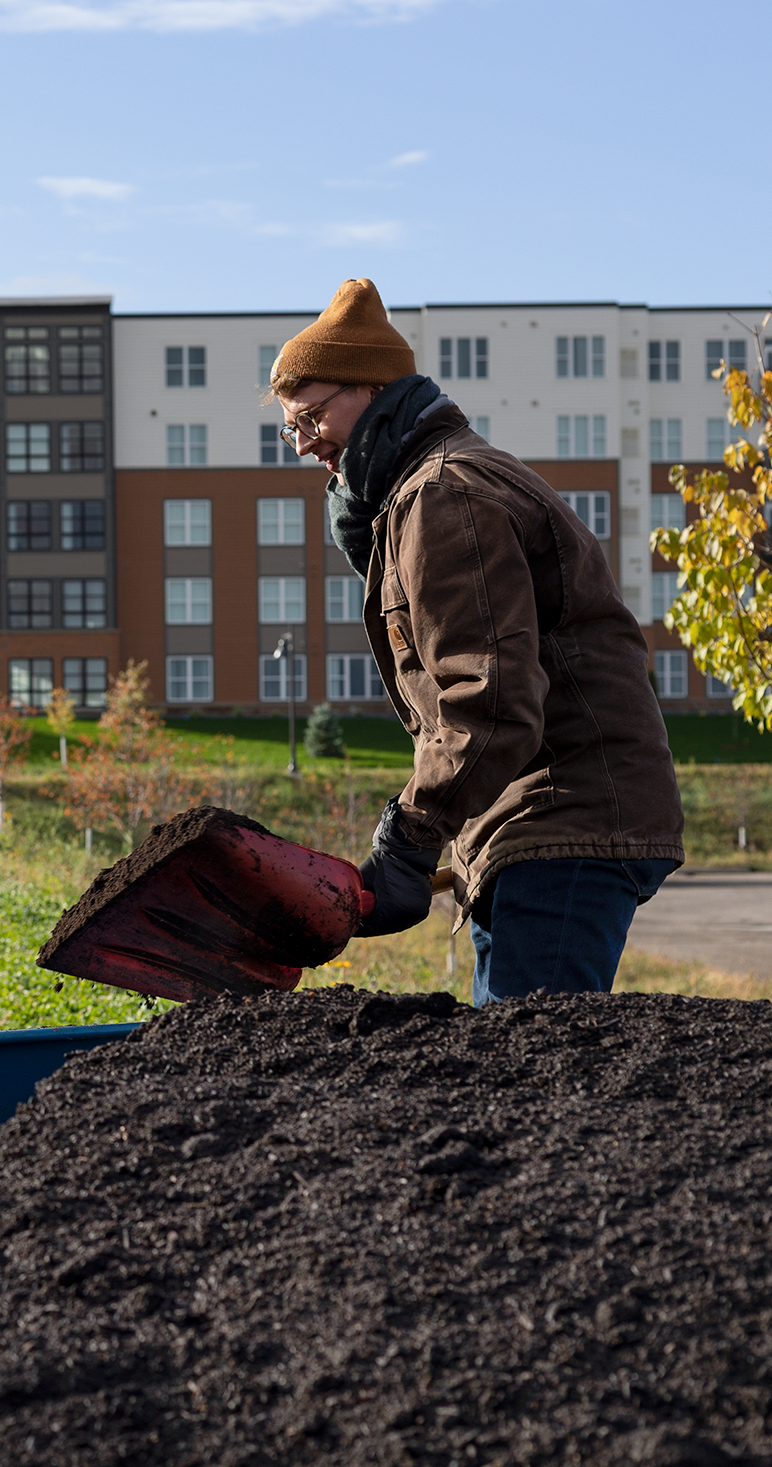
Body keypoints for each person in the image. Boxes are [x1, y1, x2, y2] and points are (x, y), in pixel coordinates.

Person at [269, 278, 684, 1005]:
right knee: (515, 1067)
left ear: (371, 389)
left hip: (563, 818)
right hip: (537, 822)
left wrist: (408, 834)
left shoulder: (444, 493)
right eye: (289, 429)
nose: (305, 445)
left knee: (529, 1079)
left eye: (311, 418)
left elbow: (489, 700)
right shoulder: (421, 493)